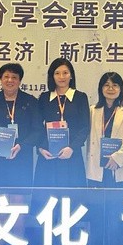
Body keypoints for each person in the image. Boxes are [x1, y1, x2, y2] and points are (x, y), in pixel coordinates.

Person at [85, 71, 123, 245]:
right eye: (106, 85)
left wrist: (117, 158)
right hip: (97, 169)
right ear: (101, 88)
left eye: (115, 85)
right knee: (96, 212)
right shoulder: (93, 110)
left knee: (117, 212)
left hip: (119, 168)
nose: (110, 89)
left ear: (121, 88)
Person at [0, 63, 41, 190]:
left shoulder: (31, 101)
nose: (10, 80)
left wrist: (22, 146)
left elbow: (37, 130)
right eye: (6, 77)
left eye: (14, 77)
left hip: (22, 156)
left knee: (18, 198)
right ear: (1, 79)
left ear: (20, 81)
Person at [34, 57, 90, 188]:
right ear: (52, 76)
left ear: (71, 75)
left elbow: (85, 127)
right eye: (57, 73)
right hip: (48, 155)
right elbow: (37, 126)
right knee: (47, 194)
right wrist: (41, 148)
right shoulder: (44, 97)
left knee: (72, 194)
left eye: (65, 73)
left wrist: (72, 147)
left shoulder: (80, 97)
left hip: (72, 155)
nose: (61, 77)